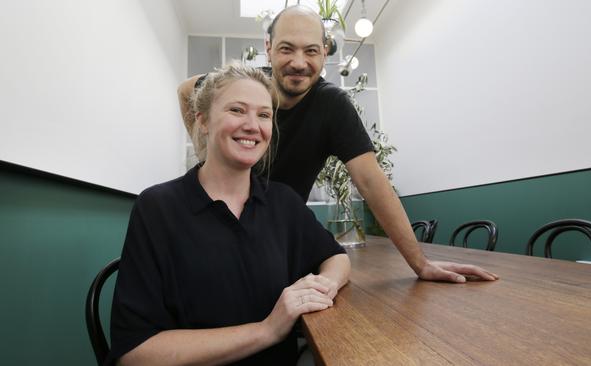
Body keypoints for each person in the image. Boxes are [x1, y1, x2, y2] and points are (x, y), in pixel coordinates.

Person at [178, 5, 498, 283]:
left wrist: (420, 263)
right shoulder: (245, 87)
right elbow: (187, 90)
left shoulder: (331, 105)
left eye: (312, 51)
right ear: (269, 47)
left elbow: (371, 181)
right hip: (212, 222)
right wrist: (206, 153)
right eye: (287, 48)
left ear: (325, 52)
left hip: (277, 234)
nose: (299, 62)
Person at [110, 65, 351, 365]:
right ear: (203, 120)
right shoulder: (158, 208)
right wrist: (267, 330)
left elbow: (336, 257)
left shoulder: (283, 202)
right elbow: (135, 354)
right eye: (237, 110)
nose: (253, 125)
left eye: (264, 115)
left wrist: (323, 285)